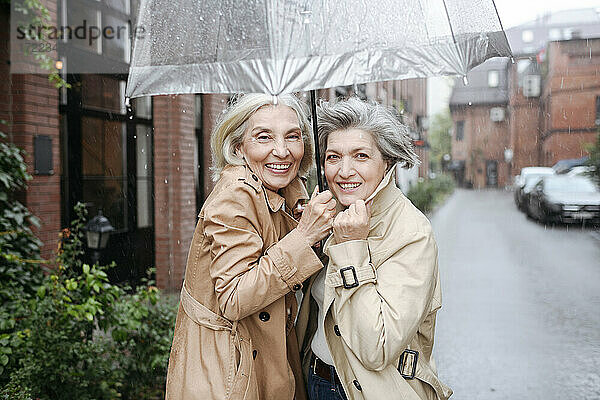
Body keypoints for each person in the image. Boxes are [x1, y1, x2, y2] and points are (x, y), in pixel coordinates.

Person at [165, 93, 336, 400]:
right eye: (263, 137)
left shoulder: (284, 193)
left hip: (266, 361)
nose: (282, 151)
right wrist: (304, 237)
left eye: (292, 136)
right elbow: (233, 298)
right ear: (238, 146)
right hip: (228, 375)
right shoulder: (237, 196)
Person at [296, 97, 452, 400]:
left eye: (360, 156)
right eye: (333, 157)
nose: (344, 171)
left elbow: (376, 349)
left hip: (370, 391)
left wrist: (352, 248)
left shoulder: (411, 233)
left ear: (388, 163)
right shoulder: (333, 215)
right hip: (318, 380)